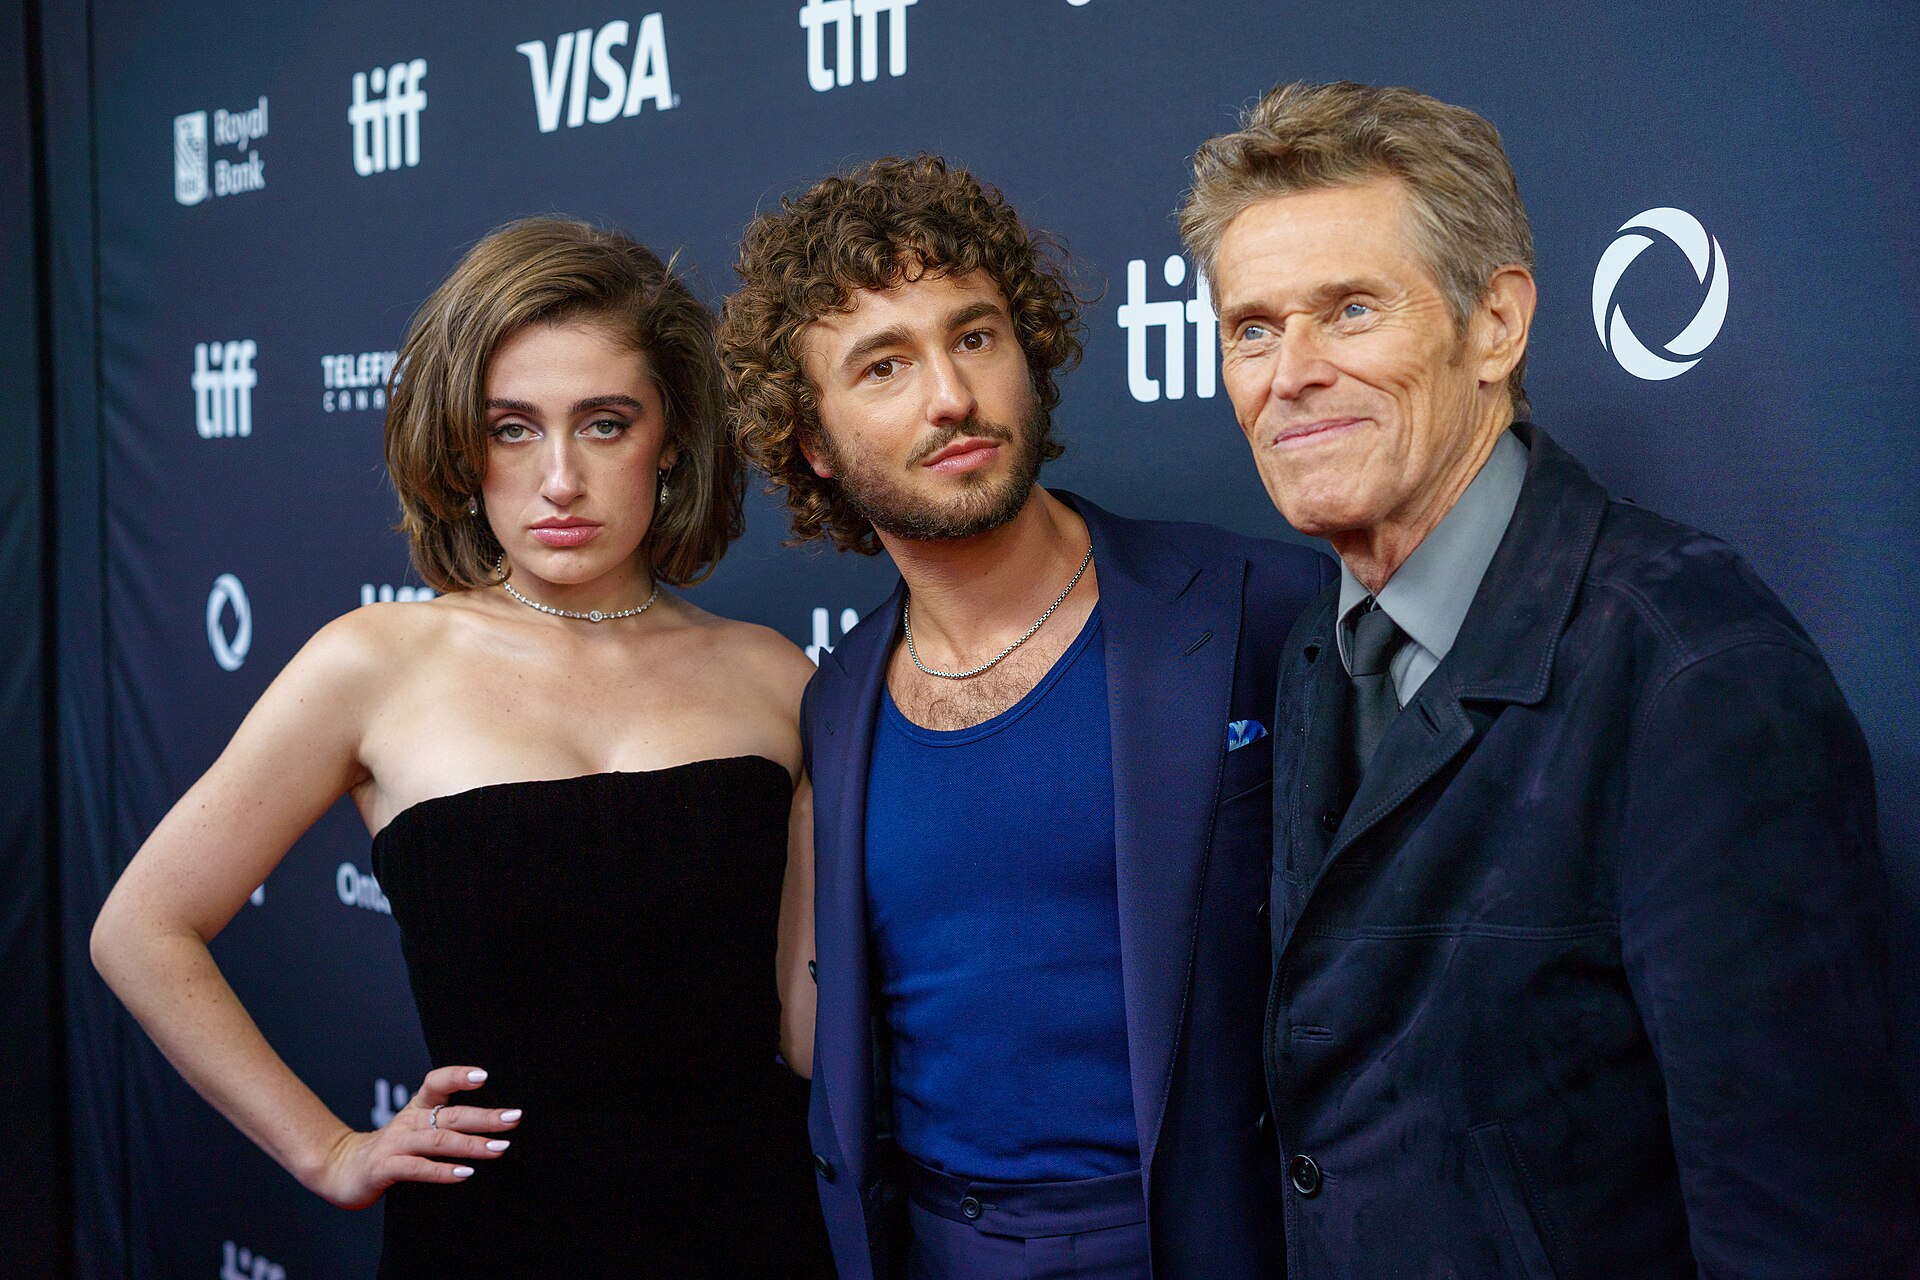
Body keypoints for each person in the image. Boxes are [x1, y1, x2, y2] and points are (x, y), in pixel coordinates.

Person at [1182, 80, 1920, 1277]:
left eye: (1351, 309)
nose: (1291, 373)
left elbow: (1805, 1223)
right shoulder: (1318, 647)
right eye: (1253, 328)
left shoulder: (1691, 670)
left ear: (1497, 322)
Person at [90, 217, 834, 1277]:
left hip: (758, 1227)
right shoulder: (375, 662)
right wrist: (329, 1148)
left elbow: (809, 1026)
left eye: (606, 423)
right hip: (495, 1238)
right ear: (459, 442)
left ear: (670, 436)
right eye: (514, 428)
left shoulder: (774, 674)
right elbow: (142, 927)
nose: (561, 478)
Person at [719, 155, 1327, 1280]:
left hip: (1228, 1241)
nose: (949, 395)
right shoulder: (839, 702)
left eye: (975, 336)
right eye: (884, 366)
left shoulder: (1262, 609)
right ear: (812, 441)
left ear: (1027, 349)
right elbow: (819, 1038)